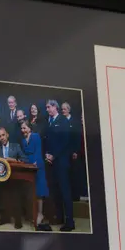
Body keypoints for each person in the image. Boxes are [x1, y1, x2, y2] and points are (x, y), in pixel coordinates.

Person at [43, 99, 75, 232]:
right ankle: (60, 217)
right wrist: (46, 154)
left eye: (49, 107)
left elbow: (65, 142)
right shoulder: (49, 122)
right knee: (55, 192)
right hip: (51, 163)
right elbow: (46, 141)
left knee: (65, 192)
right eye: (46, 107)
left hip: (61, 162)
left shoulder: (63, 121)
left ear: (55, 107)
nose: (47, 109)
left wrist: (53, 155)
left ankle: (70, 222)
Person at [0, 126, 26, 229]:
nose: (2, 138)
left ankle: (18, 220)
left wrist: (13, 160)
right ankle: (4, 218)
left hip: (15, 178)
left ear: (7, 135)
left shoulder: (16, 146)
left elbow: (24, 159)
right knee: (1, 194)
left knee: (15, 195)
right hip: (2, 178)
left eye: (3, 135)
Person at [20, 120, 50, 230]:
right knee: (31, 191)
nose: (23, 130)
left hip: (38, 166)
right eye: (22, 128)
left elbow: (38, 151)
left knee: (39, 191)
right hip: (28, 166)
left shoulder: (36, 136)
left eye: (24, 128)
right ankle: (33, 214)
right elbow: (24, 155)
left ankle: (40, 214)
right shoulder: (23, 141)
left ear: (29, 128)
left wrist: (35, 164)